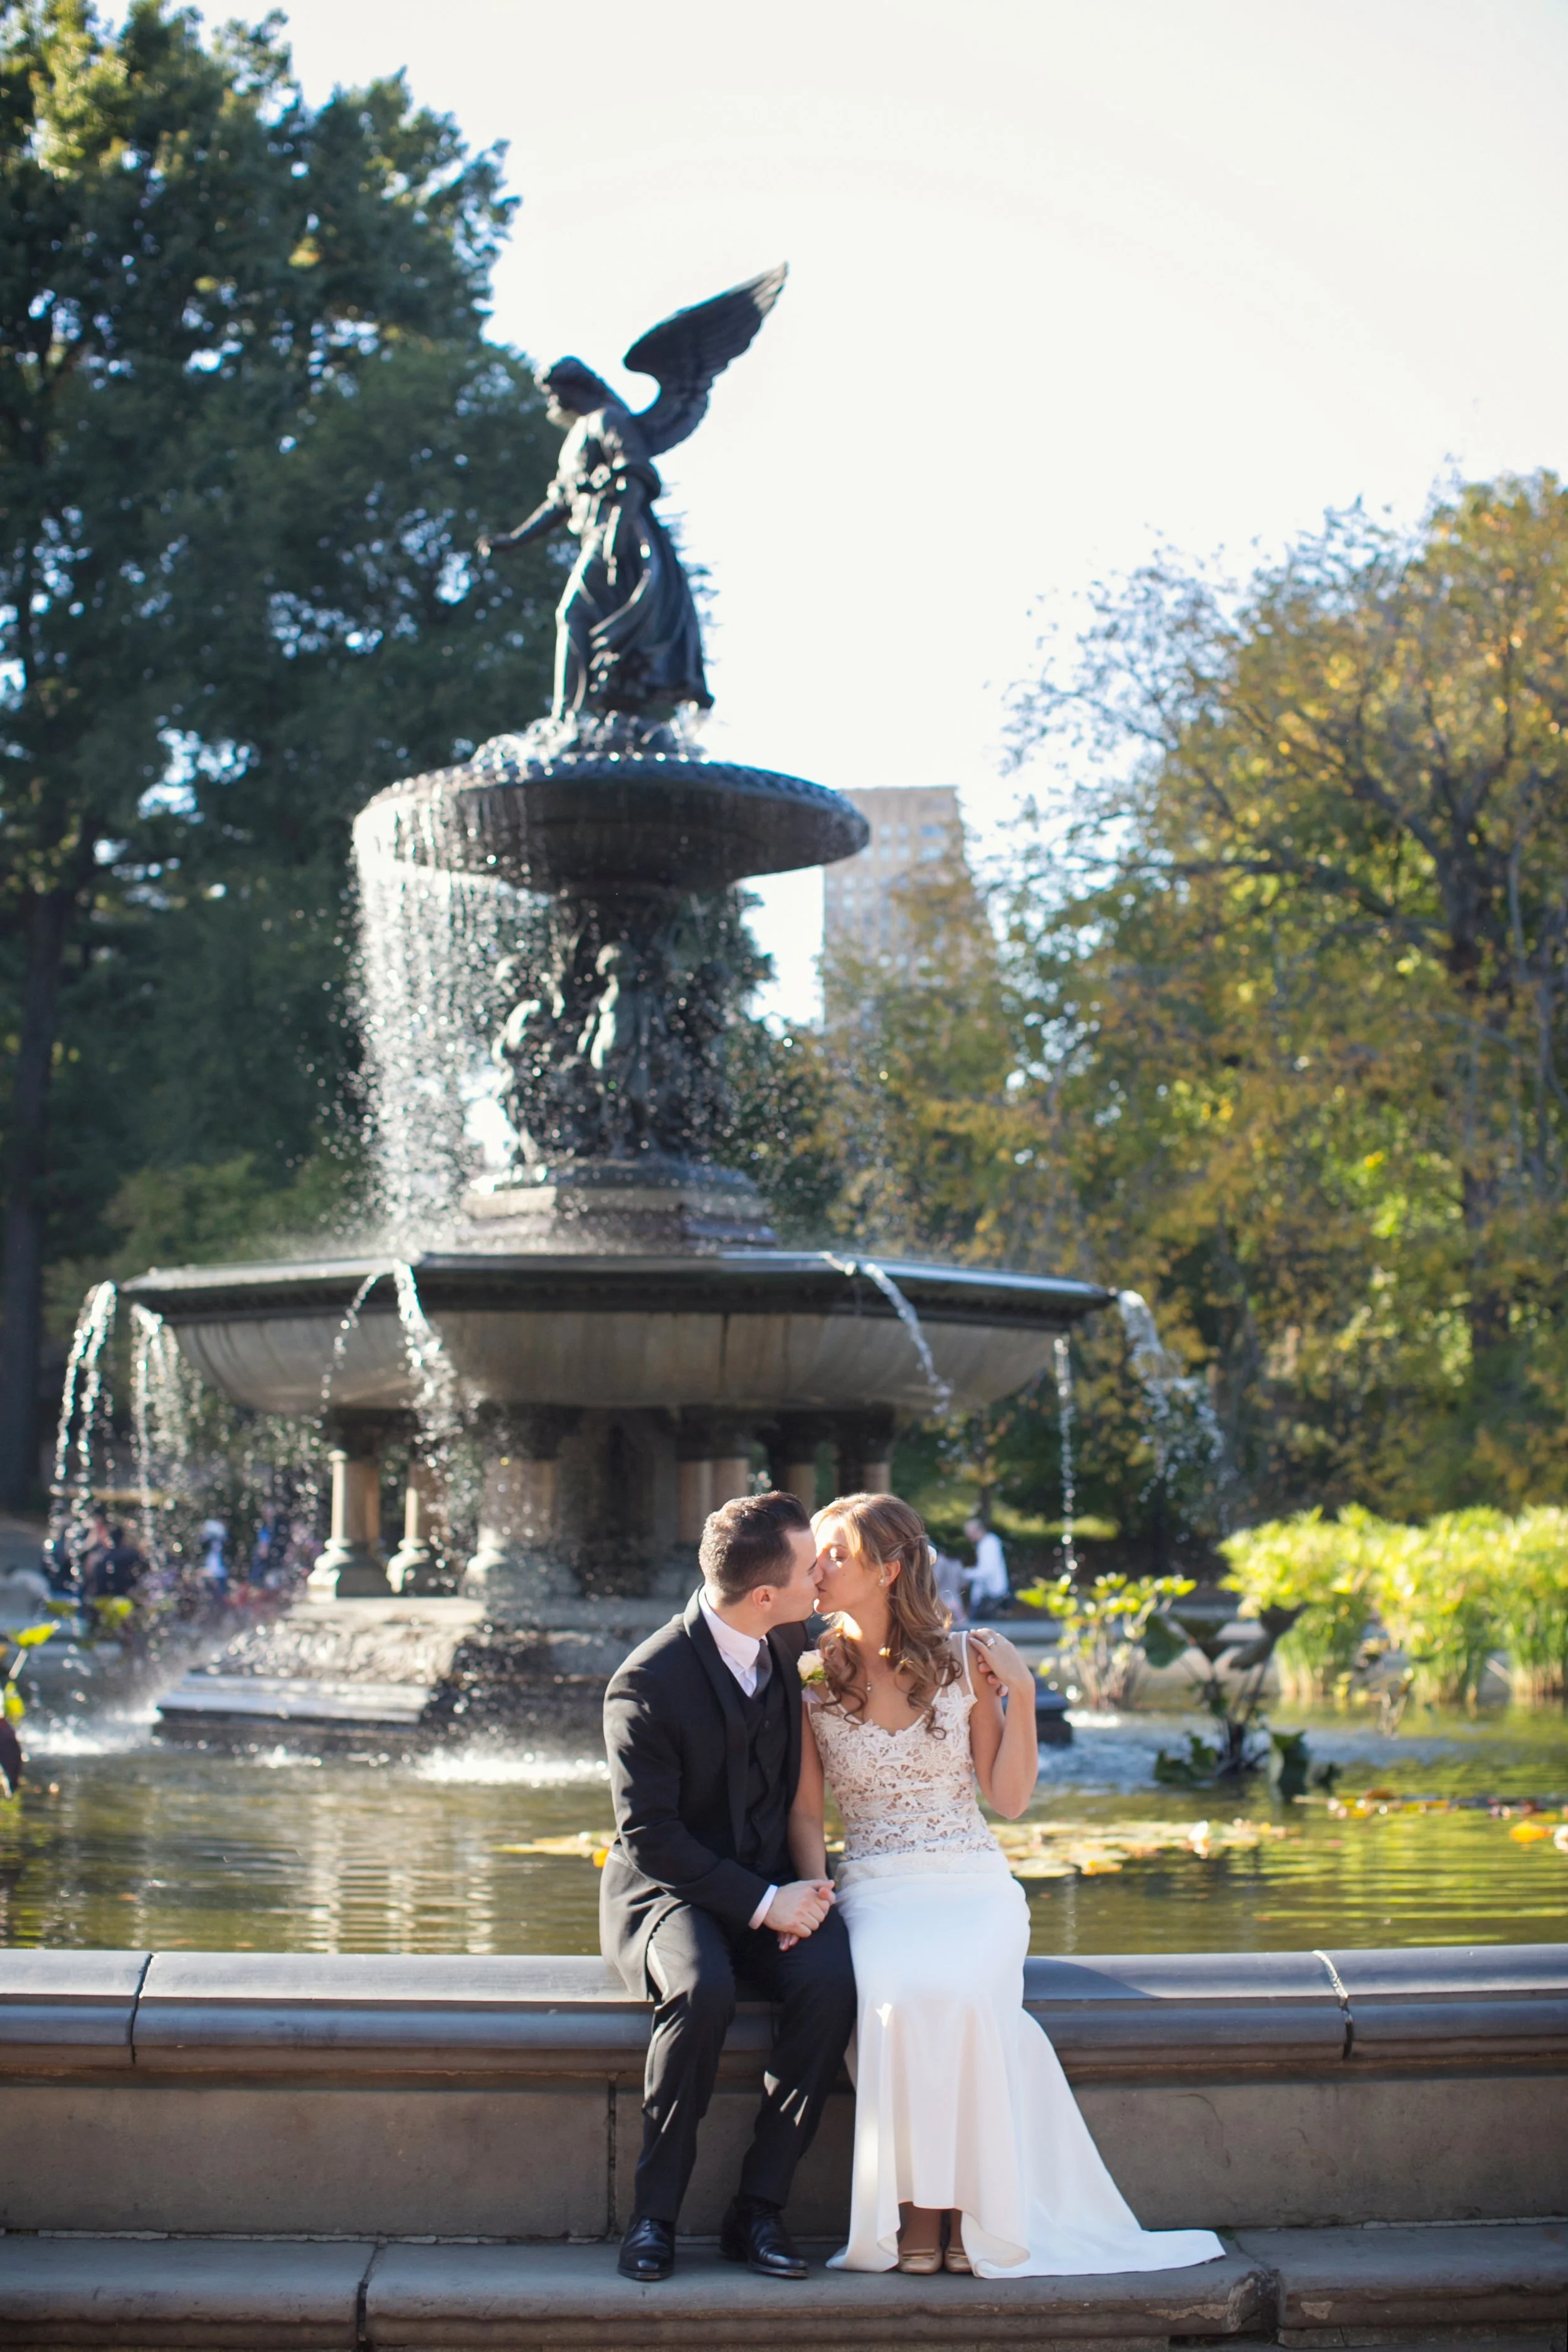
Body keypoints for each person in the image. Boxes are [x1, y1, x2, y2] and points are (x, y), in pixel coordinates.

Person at [792, 1492, 1225, 2280]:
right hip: (878, 1887)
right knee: (893, 1992)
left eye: (835, 1556)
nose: (813, 1569)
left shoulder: (963, 1659)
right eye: (814, 1554)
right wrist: (810, 1894)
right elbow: (804, 1810)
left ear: (887, 1571)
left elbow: (1011, 1798)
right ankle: (917, 2211)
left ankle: (969, 2215)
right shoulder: (812, 1674)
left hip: (971, 1884)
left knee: (960, 1993)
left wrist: (1018, 1696)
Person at [600, 1490, 857, 2287]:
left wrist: (802, 1890)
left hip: (774, 1880)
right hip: (670, 1890)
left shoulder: (788, 1646)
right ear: (764, 1597)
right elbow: (652, 1837)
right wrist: (760, 1903)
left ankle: (759, 2208)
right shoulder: (645, 1682)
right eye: (812, 1569)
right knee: (703, 1991)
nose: (824, 1577)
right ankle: (654, 2216)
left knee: (831, 1984)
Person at [963, 1513, 1010, 1616]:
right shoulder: (988, 1542)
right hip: (989, 1594)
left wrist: (964, 1573)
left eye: (969, 1533)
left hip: (992, 1594)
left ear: (977, 1531)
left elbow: (986, 1571)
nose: (968, 1537)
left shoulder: (988, 1544)